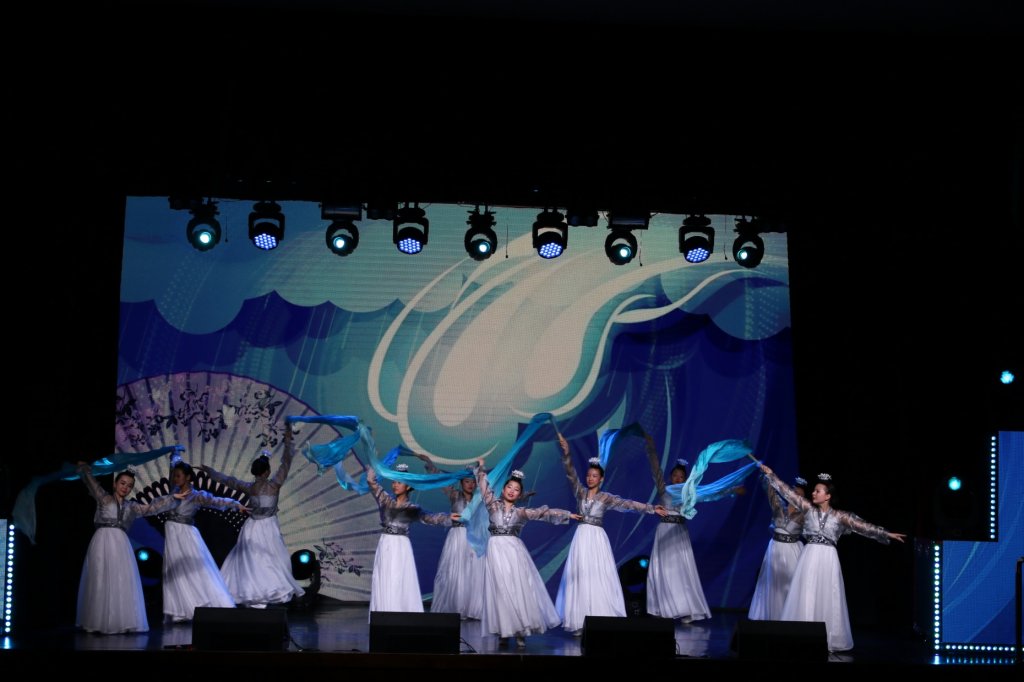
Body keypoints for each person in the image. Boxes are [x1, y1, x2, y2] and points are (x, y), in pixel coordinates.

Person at [760, 464, 906, 652]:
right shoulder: (808, 509)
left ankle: (828, 637)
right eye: (814, 490)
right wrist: (772, 475)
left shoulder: (840, 516)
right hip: (810, 556)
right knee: (807, 593)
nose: (813, 493)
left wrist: (885, 533)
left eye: (818, 491)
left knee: (828, 594)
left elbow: (862, 527)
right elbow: (787, 492)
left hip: (828, 558)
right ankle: (802, 635)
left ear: (827, 496)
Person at [554, 434, 668, 634]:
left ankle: (599, 617)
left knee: (597, 575)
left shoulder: (606, 497)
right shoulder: (580, 492)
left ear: (601, 479)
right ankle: (579, 620)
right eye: (589, 475)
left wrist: (651, 508)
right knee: (581, 575)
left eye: (594, 476)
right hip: (582, 537)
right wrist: (567, 454)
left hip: (597, 538)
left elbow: (628, 504)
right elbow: (571, 474)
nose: (590, 478)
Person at [473, 458, 576, 649]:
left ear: (520, 494)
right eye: (509, 487)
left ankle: (521, 630)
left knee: (516, 588)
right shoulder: (493, 505)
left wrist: (567, 514)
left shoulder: (521, 512)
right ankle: (504, 630)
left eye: (516, 489)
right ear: (503, 489)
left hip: (514, 551)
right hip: (495, 550)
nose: (512, 491)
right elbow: (484, 488)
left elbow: (544, 513)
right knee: (500, 590)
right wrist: (481, 469)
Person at [200, 426, 304, 608]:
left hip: (253, 527)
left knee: (253, 561)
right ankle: (264, 592)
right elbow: (286, 463)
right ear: (267, 471)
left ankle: (255, 591)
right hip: (267, 526)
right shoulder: (274, 485)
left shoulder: (250, 487)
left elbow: (228, 481)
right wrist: (288, 440)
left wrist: (210, 472)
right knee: (271, 560)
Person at [73, 462, 180, 634]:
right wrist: (84, 469)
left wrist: (173, 498)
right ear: (115, 484)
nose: (125, 487)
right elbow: (91, 482)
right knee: (100, 578)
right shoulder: (103, 498)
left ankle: (120, 620)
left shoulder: (132, 506)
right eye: (122, 483)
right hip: (101, 540)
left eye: (129, 486)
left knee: (120, 579)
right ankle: (98, 621)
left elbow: (153, 507)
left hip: (121, 542)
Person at [163, 450, 249, 622]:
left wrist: (235, 504)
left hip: (185, 534)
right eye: (174, 476)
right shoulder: (174, 491)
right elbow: (173, 468)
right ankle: (179, 610)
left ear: (188, 477)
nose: (175, 479)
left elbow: (216, 501)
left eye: (179, 476)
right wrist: (175, 454)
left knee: (193, 570)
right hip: (172, 533)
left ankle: (203, 603)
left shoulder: (196, 496)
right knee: (174, 571)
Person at [366, 462, 455, 614]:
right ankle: (383, 613)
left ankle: (399, 613)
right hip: (385, 543)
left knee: (398, 579)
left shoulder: (412, 509)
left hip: (401, 546)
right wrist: (373, 465)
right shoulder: (385, 500)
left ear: (407, 486)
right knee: (384, 578)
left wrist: (449, 518)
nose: (395, 485)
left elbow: (430, 518)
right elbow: (371, 481)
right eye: (394, 482)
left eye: (399, 482)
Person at [645, 439, 712, 622]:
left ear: (685, 479)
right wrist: (651, 448)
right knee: (664, 568)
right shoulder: (664, 490)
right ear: (670, 477)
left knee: (680, 569)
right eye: (675, 475)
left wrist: (730, 490)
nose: (677, 479)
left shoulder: (688, 493)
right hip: (664, 531)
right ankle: (662, 607)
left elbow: (710, 493)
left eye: (681, 477)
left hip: (679, 532)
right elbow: (655, 470)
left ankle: (685, 608)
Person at [413, 454, 486, 620]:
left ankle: (473, 607)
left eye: (472, 482)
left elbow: (487, 486)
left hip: (474, 536)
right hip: (457, 536)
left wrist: (481, 467)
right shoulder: (454, 494)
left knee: (473, 571)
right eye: (467, 481)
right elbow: (439, 479)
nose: (470, 484)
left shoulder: (479, 498)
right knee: (455, 571)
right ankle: (456, 606)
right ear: (461, 483)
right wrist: (429, 463)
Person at [747, 474, 807, 620]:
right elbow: (769, 488)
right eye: (794, 492)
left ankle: (790, 617)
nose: (796, 496)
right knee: (773, 584)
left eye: (799, 495)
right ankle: (773, 617)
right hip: (775, 550)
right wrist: (765, 475)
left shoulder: (805, 514)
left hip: (792, 550)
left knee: (790, 584)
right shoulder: (779, 506)